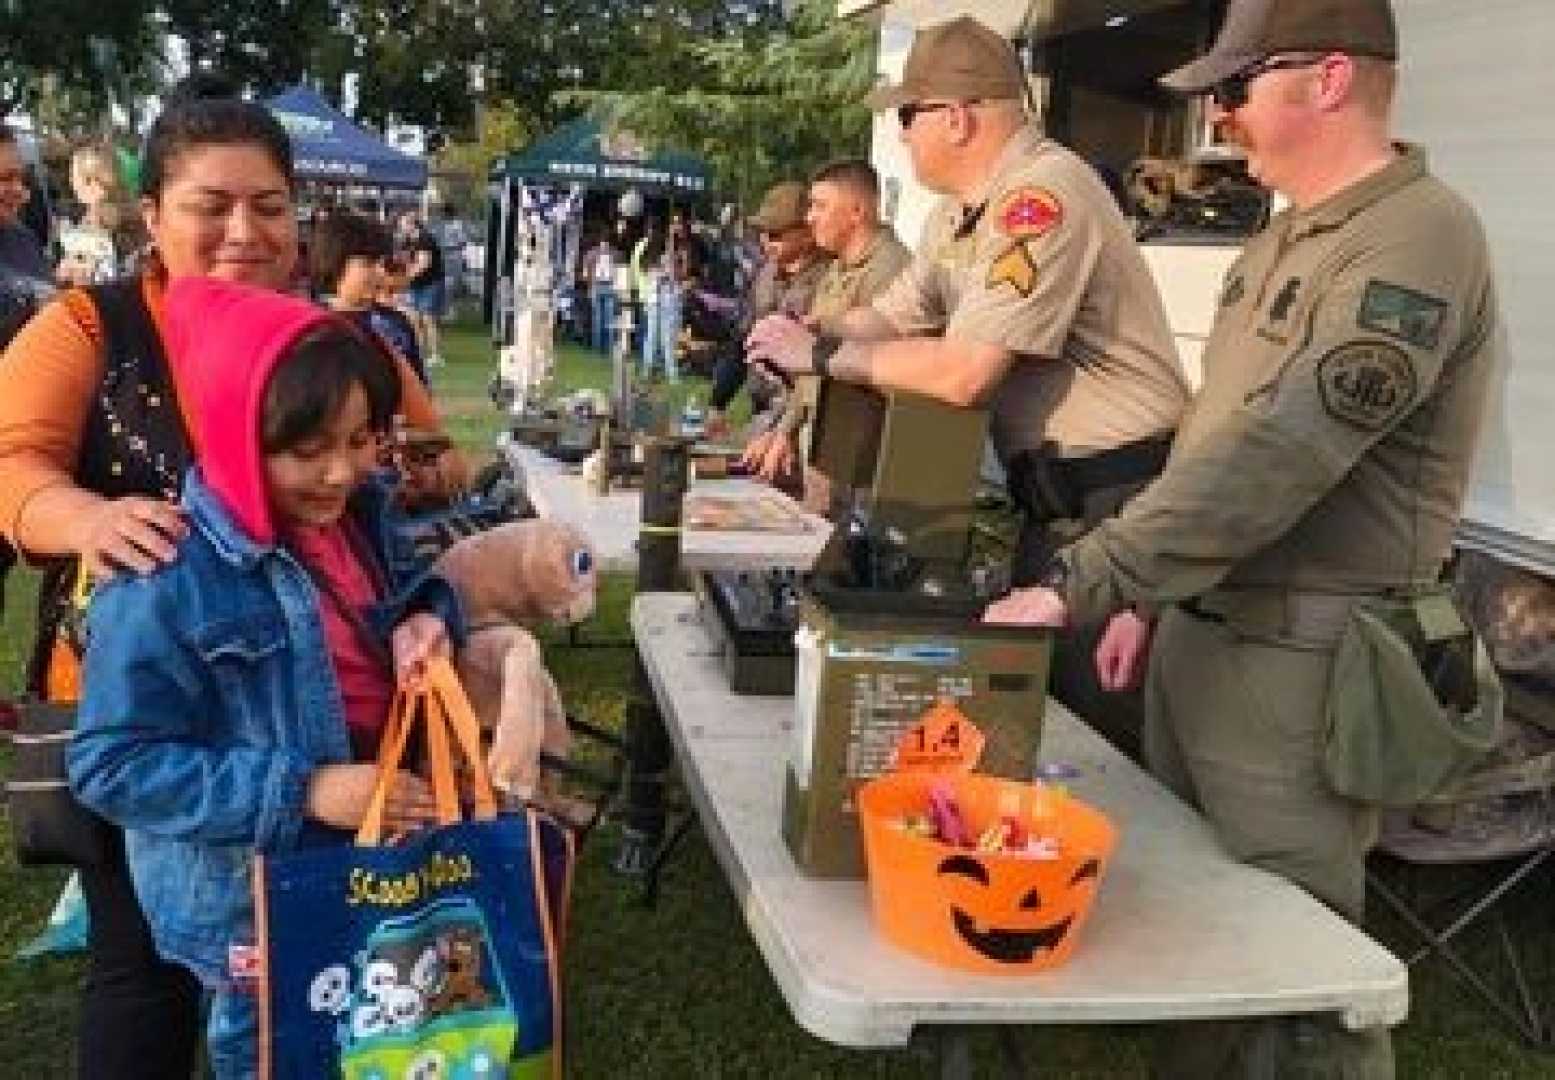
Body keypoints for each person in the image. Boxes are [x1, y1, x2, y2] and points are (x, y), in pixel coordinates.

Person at [984, 1, 1497, 1075]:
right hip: (1211, 639)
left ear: (1327, 82)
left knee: (1297, 974)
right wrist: (1147, 598)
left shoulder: (1416, 237)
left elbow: (1281, 451)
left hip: (1301, 664)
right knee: (1199, 942)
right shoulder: (1286, 238)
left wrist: (1092, 575)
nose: (1217, 118)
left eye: (1236, 87)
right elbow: (1210, 441)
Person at [0, 83, 461, 1079]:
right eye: (212, 205)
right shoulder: (92, 325)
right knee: (148, 964)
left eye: (269, 205)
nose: (244, 231)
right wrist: (97, 518)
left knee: (316, 974)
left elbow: (421, 447)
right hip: (141, 684)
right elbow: (10, 461)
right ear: (152, 215)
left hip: (310, 712)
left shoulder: (323, 337)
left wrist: (398, 463)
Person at [747, 16, 1188, 754]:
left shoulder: (1039, 199)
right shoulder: (960, 216)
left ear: (956, 118)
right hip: (1056, 507)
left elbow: (963, 372)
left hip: (1120, 504)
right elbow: (891, 315)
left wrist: (822, 359)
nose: (902, 133)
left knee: (1102, 746)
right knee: (1039, 727)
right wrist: (804, 337)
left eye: (907, 116)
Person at [69, 277, 462, 1078]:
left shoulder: (361, 515)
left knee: (386, 1044)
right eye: (307, 451)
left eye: (361, 440)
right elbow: (112, 766)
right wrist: (304, 791)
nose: (342, 472)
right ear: (234, 433)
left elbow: (395, 600)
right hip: (256, 911)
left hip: (380, 864)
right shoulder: (164, 579)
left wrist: (428, 618)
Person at [741, 159, 911, 488]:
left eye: (820, 206)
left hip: (861, 451)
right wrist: (784, 432)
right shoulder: (838, 269)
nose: (809, 217)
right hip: (824, 439)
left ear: (857, 212)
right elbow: (812, 365)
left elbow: (878, 371)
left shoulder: (891, 271)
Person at [705, 181, 830, 436]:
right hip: (762, 406)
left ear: (807, 233)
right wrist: (718, 404)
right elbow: (743, 340)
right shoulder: (765, 273)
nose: (765, 241)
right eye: (761, 232)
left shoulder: (830, 280)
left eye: (774, 234)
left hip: (804, 414)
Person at [311, 209, 427, 383]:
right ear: (336, 264)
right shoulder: (312, 327)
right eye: (368, 263)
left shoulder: (396, 324)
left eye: (382, 263)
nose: (380, 272)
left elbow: (419, 388)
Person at [400, 210, 447, 367]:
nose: (402, 227)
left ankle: (436, 355)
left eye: (404, 224)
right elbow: (405, 261)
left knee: (428, 318)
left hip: (431, 283)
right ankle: (419, 353)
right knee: (413, 318)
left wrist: (404, 279)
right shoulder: (407, 241)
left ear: (412, 224)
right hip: (415, 284)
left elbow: (423, 264)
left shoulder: (425, 239)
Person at [582, 229, 620, 355]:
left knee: (602, 318)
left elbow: (585, 274)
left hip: (602, 285)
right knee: (604, 318)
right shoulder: (614, 254)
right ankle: (603, 347)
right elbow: (586, 273)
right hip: (604, 285)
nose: (604, 245)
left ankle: (601, 347)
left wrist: (589, 286)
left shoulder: (593, 254)